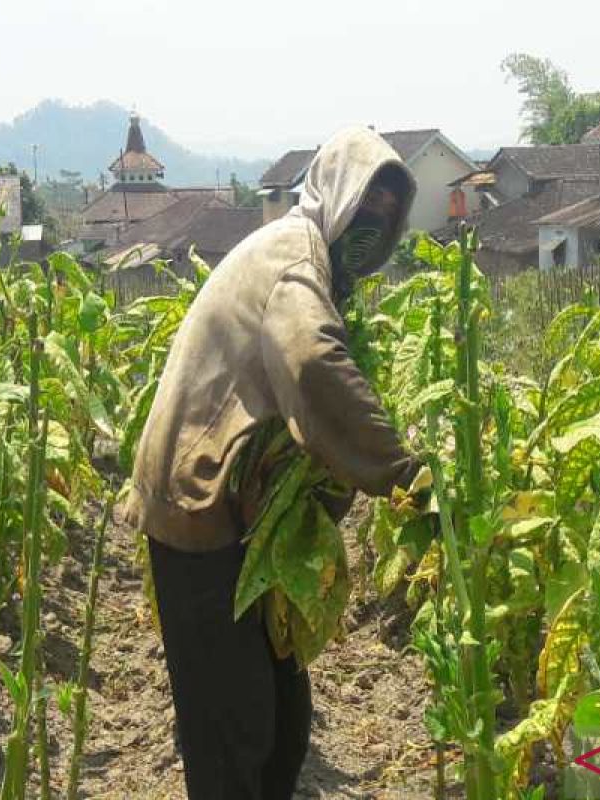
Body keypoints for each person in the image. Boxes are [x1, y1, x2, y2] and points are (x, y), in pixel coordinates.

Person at [124, 126, 423, 800]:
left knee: (282, 721)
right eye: (364, 206)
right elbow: (313, 364)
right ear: (334, 196)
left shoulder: (310, 256)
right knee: (235, 732)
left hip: (232, 507)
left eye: (387, 214)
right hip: (197, 509)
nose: (372, 226)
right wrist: (402, 472)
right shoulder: (296, 262)